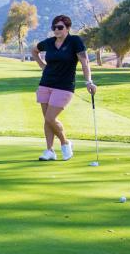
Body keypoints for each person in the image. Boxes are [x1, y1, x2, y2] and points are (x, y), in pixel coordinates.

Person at [30, 14, 96, 161]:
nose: (56, 30)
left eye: (60, 27)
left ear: (67, 28)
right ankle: (49, 151)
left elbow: (85, 62)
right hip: (46, 83)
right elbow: (34, 50)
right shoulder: (49, 42)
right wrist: (42, 65)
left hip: (64, 86)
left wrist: (88, 82)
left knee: (50, 117)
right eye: (54, 27)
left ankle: (65, 143)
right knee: (47, 120)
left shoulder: (75, 41)